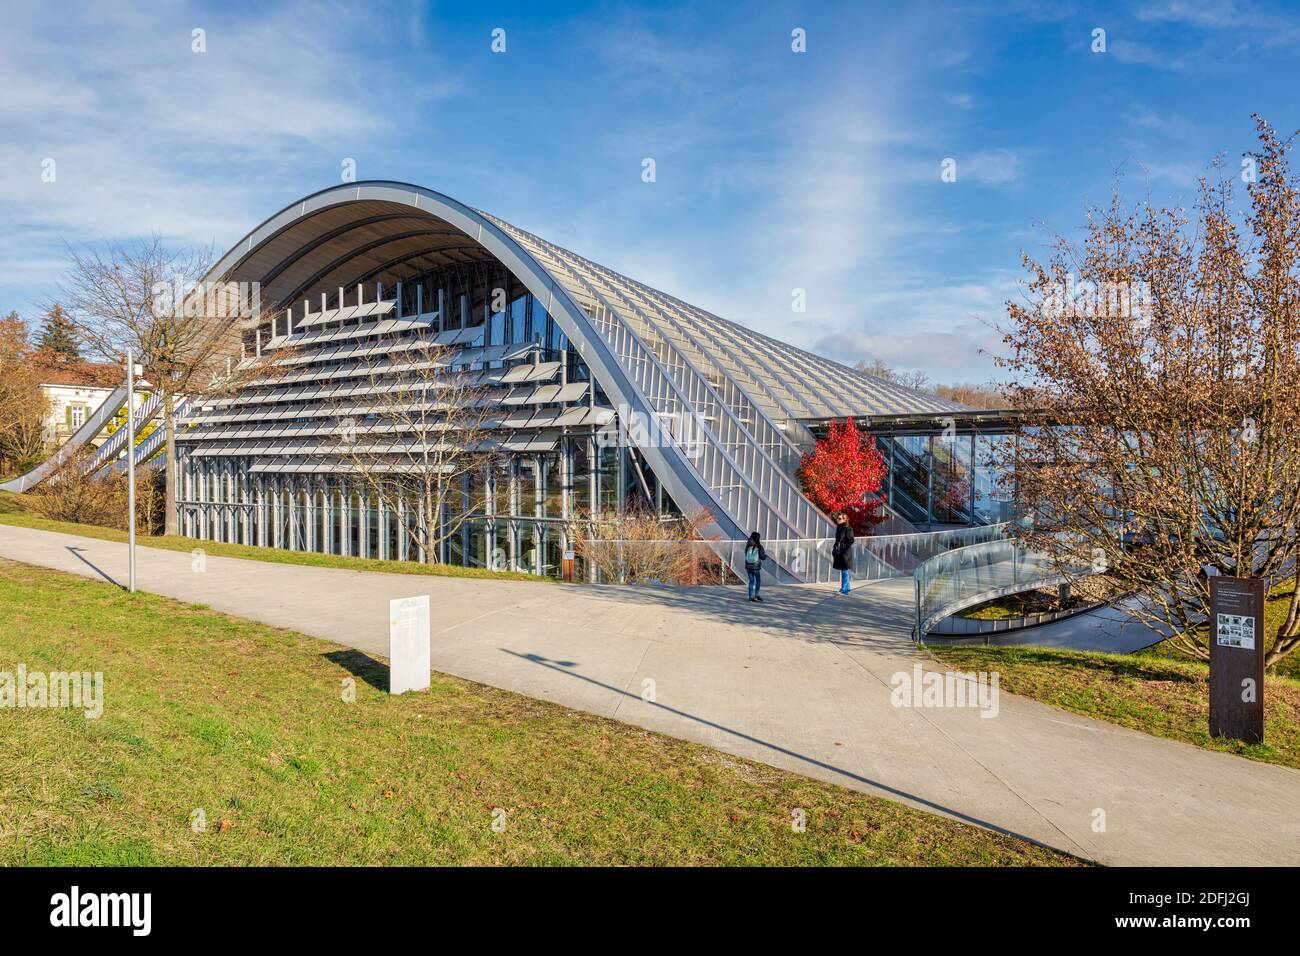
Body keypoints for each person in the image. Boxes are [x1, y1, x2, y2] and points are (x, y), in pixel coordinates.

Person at [832, 512, 854, 594]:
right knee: (843, 570)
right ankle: (846, 588)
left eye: (840, 518)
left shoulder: (848, 528)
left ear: (845, 519)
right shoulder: (839, 528)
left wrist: (843, 547)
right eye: (838, 518)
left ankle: (844, 589)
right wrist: (835, 548)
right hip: (839, 552)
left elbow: (851, 540)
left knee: (844, 570)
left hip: (845, 553)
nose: (838, 519)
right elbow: (837, 540)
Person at [744, 531, 767, 602]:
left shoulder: (748, 546)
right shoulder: (759, 546)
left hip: (748, 566)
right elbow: (762, 557)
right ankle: (756, 595)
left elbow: (746, 554)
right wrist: (765, 556)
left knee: (751, 581)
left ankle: (750, 597)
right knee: (758, 581)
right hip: (755, 567)